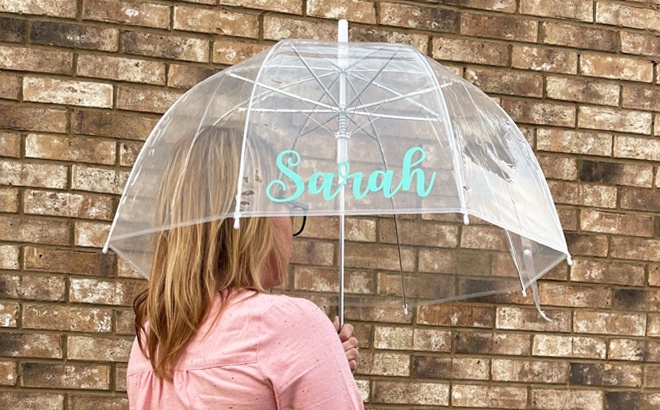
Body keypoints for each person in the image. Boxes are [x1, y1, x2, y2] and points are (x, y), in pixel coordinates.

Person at [126, 126, 364, 409]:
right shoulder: (287, 324)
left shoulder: (151, 339)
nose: (289, 217)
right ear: (253, 216)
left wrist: (321, 364)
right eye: (283, 199)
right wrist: (321, 362)